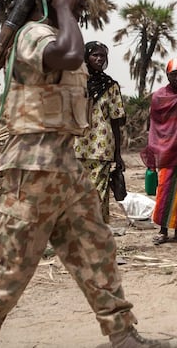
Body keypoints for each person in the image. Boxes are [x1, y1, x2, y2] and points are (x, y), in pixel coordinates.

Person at [0, 0, 177, 348]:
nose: (80, 0)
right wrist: (59, 7)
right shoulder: (33, 35)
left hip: (65, 163)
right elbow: (69, 55)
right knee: (14, 260)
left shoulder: (63, 34)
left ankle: (122, 333)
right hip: (33, 166)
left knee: (97, 248)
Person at [140, 58, 177, 245]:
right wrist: (154, 147)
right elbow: (155, 125)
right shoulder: (158, 96)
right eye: (174, 74)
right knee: (163, 189)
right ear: (167, 75)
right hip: (166, 149)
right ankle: (163, 230)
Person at [74, 40, 126, 224]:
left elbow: (115, 121)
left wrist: (117, 154)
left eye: (102, 55)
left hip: (102, 148)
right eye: (94, 55)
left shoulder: (111, 86)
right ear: (86, 57)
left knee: (98, 193)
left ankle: (95, 232)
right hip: (77, 147)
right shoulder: (75, 83)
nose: (98, 58)